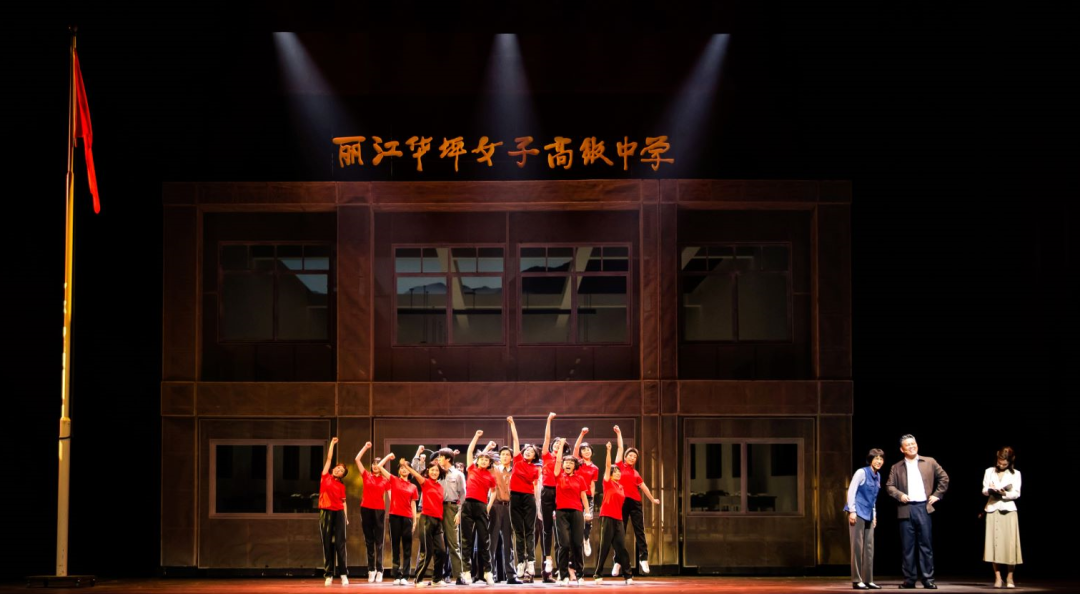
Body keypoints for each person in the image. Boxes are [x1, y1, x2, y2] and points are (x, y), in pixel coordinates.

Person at [885, 434, 949, 590]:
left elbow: (944, 478)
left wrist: (937, 495)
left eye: (913, 443)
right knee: (907, 547)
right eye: (908, 445)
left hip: (923, 508)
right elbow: (889, 486)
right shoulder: (896, 467)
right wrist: (900, 495)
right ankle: (909, 579)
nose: (911, 446)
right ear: (902, 449)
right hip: (905, 509)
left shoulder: (929, 461)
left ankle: (928, 579)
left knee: (925, 546)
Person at [412, 445, 468, 585]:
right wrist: (418, 455)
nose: (438, 459)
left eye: (441, 457)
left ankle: (458, 575)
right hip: (433, 509)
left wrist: (459, 513)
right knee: (429, 545)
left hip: (450, 508)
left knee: (453, 543)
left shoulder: (458, 474)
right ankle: (429, 576)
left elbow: (463, 495)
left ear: (447, 459)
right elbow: (417, 470)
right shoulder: (436, 472)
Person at [611, 424, 660, 577]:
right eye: (630, 455)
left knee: (640, 531)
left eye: (635, 457)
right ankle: (617, 561)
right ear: (626, 457)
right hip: (622, 503)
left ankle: (643, 558)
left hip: (635, 503)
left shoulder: (636, 473)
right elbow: (620, 448)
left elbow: (644, 487)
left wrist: (652, 499)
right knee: (620, 532)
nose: (632, 458)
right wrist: (619, 433)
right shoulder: (619, 466)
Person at [551, 437, 592, 586]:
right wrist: (562, 444)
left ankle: (580, 574)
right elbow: (557, 461)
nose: (567, 464)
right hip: (561, 512)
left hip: (577, 512)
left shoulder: (580, 478)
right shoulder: (558, 476)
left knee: (577, 544)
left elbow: (584, 496)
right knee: (564, 544)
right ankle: (563, 576)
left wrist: (587, 512)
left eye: (570, 463)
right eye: (566, 463)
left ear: (575, 466)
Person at [593, 435, 632, 585]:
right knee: (604, 546)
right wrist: (609, 451)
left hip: (618, 519)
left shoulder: (621, 486)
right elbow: (608, 466)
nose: (617, 473)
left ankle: (628, 575)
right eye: (615, 471)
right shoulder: (608, 483)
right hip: (607, 517)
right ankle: (598, 574)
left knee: (621, 547)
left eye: (618, 472)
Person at [460, 430, 498, 585]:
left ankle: (488, 572)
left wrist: (488, 506)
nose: (483, 461)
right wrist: (476, 436)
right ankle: (466, 571)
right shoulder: (471, 469)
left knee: (484, 540)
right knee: (466, 540)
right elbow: (470, 450)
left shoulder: (490, 476)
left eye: (486, 459)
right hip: (468, 505)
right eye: (481, 459)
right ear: (478, 461)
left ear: (489, 463)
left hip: (481, 506)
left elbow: (494, 492)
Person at [403, 459, 448, 587]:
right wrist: (406, 466)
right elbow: (416, 475)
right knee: (427, 552)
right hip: (426, 519)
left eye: (436, 470)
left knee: (441, 551)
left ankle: (436, 579)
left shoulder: (440, 487)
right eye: (432, 470)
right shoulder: (425, 482)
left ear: (439, 473)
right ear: (428, 472)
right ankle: (418, 579)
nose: (434, 472)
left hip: (438, 521)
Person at [982, 446, 1022, 588]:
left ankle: (1010, 577)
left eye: (1004, 464)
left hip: (1008, 510)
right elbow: (984, 490)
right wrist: (990, 490)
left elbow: (1016, 493)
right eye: (999, 462)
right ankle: (998, 577)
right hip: (992, 508)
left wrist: (1004, 493)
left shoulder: (1016, 474)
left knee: (1010, 544)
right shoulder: (989, 471)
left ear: (1010, 462)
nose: (1001, 465)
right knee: (994, 544)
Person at [845, 448, 885, 590]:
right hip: (858, 512)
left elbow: (873, 498)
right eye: (876, 458)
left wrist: (874, 515)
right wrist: (852, 510)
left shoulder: (878, 476)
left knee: (869, 547)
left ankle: (868, 579)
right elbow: (851, 491)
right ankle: (857, 580)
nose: (879, 461)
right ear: (870, 460)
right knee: (857, 547)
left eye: (881, 459)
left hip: (869, 514)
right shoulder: (861, 472)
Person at [507, 416, 539, 582]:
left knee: (529, 530)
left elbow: (533, 484)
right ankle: (521, 562)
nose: (527, 452)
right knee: (518, 531)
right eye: (526, 450)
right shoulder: (517, 460)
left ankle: (531, 561)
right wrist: (513, 424)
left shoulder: (535, 469)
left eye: (531, 451)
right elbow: (516, 440)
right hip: (515, 497)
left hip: (528, 498)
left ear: (534, 456)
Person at [355, 442, 393, 583]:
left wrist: (394, 510)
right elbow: (357, 459)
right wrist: (365, 447)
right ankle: (371, 570)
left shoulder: (385, 480)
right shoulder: (366, 475)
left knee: (379, 541)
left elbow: (391, 497)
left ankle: (380, 570)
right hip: (365, 509)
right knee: (369, 540)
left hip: (379, 511)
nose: (375, 466)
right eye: (373, 464)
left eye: (378, 464)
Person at [489, 441, 522, 584]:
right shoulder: (494, 469)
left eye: (507, 454)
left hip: (510, 506)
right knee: (492, 541)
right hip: (496, 506)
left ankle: (511, 575)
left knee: (509, 542)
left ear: (511, 457)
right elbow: (480, 459)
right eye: (502, 454)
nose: (504, 456)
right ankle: (491, 574)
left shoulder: (515, 470)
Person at [318, 437, 350, 586]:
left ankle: (343, 574)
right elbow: (329, 459)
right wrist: (332, 444)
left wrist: (346, 517)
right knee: (327, 543)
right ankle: (328, 574)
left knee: (340, 544)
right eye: (338, 468)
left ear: (343, 475)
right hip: (326, 512)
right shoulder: (325, 477)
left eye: (341, 470)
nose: (338, 470)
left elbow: (344, 502)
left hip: (339, 513)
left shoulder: (341, 486)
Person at [539, 411, 564, 582]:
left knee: (560, 530)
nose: (556, 445)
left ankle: (563, 568)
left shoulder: (566, 461)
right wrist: (548, 420)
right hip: (547, 491)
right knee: (547, 528)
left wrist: (562, 448)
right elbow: (547, 438)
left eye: (560, 444)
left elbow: (558, 472)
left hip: (561, 492)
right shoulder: (546, 456)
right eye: (555, 443)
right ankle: (548, 558)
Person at [388, 458, 419, 585]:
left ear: (410, 471)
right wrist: (389, 457)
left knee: (407, 547)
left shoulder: (413, 487)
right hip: (394, 516)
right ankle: (397, 575)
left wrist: (414, 521)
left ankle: (406, 576)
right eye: (401, 468)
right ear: (398, 470)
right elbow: (380, 467)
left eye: (406, 468)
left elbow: (413, 505)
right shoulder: (394, 480)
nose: (404, 469)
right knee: (395, 546)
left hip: (407, 518)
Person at [572, 427, 599, 559]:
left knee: (588, 519)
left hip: (588, 496)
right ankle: (576, 542)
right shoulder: (578, 463)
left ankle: (586, 539)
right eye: (584, 450)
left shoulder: (595, 468)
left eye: (588, 449)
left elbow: (593, 484)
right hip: (575, 495)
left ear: (591, 452)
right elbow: (576, 447)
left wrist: (592, 497)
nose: (586, 451)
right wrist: (582, 434)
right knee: (576, 520)